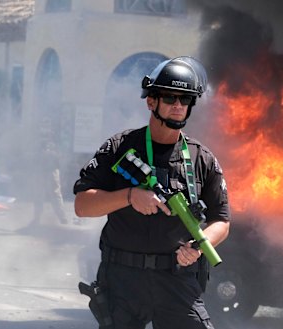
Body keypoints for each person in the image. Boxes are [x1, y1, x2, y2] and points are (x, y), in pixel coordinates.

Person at [73, 56, 231, 329]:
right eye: (170, 98)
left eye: (185, 99)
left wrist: (199, 247)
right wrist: (130, 196)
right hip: (123, 280)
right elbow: (82, 205)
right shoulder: (119, 147)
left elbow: (222, 220)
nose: (178, 106)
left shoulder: (200, 159)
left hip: (176, 279)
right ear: (151, 101)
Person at [30, 137, 69, 226]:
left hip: (50, 171)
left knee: (49, 194)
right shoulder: (51, 147)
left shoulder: (53, 147)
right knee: (43, 194)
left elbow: (59, 158)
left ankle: (61, 217)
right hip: (46, 171)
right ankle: (61, 217)